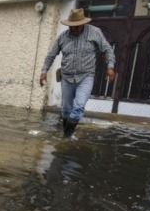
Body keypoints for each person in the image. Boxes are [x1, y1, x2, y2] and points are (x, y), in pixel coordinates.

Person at [39, 8, 115, 138]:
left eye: (77, 26)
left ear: (83, 23)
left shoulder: (94, 33)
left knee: (79, 106)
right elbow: (51, 55)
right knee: (66, 109)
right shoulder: (62, 37)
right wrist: (44, 71)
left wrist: (110, 67)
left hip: (86, 76)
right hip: (66, 77)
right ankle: (66, 135)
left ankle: (67, 136)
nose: (74, 29)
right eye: (71, 26)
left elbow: (107, 49)